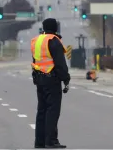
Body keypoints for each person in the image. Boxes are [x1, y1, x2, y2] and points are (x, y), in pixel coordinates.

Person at [31, 18, 70, 149]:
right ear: (55, 28)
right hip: (51, 79)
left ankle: (39, 141)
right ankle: (51, 141)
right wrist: (66, 78)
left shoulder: (36, 41)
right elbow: (60, 63)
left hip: (39, 79)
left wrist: (35, 77)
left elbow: (35, 60)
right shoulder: (53, 40)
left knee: (41, 110)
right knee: (53, 110)